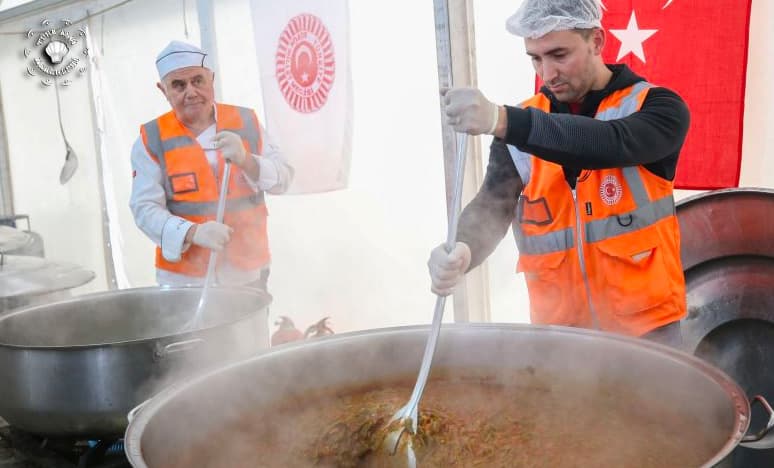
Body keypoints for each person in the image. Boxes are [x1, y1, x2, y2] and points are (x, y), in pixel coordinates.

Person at [428, 0, 689, 347]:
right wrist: (463, 247)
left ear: (596, 41)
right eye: (535, 58)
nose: (547, 73)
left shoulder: (657, 107)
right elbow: (492, 205)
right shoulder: (521, 128)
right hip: (561, 345)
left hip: (651, 339)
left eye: (559, 54)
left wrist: (501, 120)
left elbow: (608, 143)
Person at [130, 40, 293, 291]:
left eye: (198, 80)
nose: (191, 92)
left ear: (211, 79)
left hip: (247, 275)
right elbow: (144, 209)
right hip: (184, 283)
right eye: (178, 85)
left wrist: (247, 161)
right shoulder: (151, 139)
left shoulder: (245, 122)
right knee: (192, 333)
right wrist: (192, 233)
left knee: (247, 332)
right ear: (163, 90)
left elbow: (284, 180)